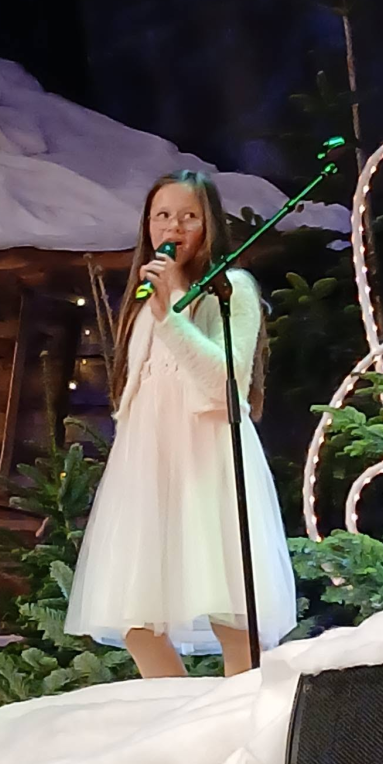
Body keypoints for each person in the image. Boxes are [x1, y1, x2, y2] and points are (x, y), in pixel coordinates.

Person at [64, 170, 296, 677]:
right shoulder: (144, 299)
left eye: (189, 216)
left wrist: (173, 312)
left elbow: (225, 384)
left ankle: (243, 712)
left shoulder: (230, 289)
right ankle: (180, 714)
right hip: (150, 464)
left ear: (209, 224)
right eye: (162, 216)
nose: (174, 228)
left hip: (207, 458)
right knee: (136, 618)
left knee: (229, 609)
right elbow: (136, 388)